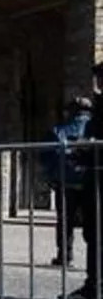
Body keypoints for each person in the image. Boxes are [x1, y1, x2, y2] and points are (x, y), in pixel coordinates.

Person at [68, 63, 103, 299]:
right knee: (93, 234)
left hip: (100, 179)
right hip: (95, 178)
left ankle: (95, 289)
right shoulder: (99, 108)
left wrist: (86, 147)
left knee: (97, 235)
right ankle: (93, 286)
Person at [45, 96, 92, 266]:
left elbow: (47, 157)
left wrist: (52, 178)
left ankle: (64, 255)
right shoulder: (94, 130)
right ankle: (94, 261)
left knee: (65, 221)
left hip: (65, 183)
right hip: (90, 184)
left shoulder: (59, 131)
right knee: (93, 223)